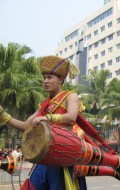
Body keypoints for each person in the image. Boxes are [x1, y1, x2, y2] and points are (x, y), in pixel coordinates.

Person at [0, 55, 86, 190]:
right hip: (44, 158)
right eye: (44, 77)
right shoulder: (44, 105)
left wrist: (48, 118)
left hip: (61, 158)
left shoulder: (70, 96)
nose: (45, 81)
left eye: (49, 77)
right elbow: (25, 126)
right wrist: (4, 116)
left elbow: (71, 117)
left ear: (61, 79)